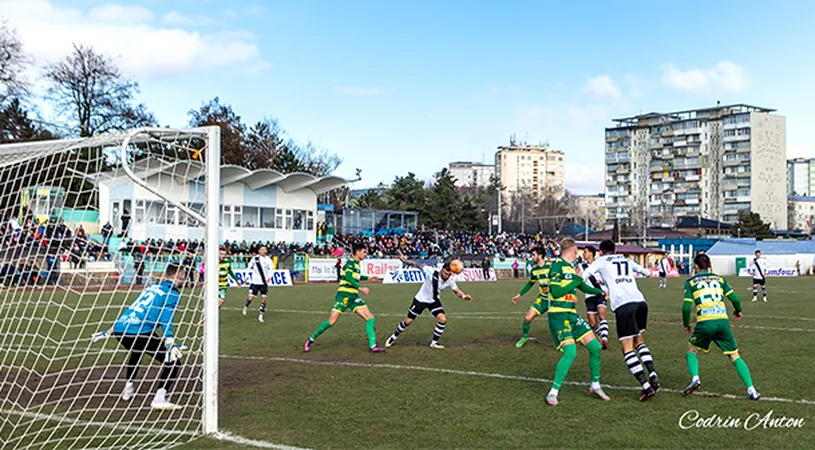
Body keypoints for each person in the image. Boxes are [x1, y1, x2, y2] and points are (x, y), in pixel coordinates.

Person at [90, 263, 186, 410]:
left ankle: (128, 388)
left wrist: (108, 331)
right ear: (179, 276)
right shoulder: (172, 292)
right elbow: (166, 317)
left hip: (120, 330)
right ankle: (159, 398)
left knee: (137, 351)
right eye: (183, 276)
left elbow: (133, 309)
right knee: (173, 361)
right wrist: (169, 340)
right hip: (138, 331)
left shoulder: (152, 288)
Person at [584, 240, 660, 402]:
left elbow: (584, 275)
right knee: (639, 342)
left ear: (601, 251)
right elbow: (646, 272)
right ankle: (652, 373)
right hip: (640, 302)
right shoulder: (625, 259)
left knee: (627, 348)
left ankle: (646, 386)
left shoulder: (601, 261)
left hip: (624, 305)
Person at [682, 253, 760, 400]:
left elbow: (686, 307)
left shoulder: (691, 282)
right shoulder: (720, 280)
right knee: (734, 355)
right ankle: (752, 389)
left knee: (692, 350)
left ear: (696, 267)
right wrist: (738, 311)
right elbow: (735, 299)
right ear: (710, 265)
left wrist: (686, 325)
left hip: (705, 322)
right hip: (722, 321)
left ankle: (695, 378)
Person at [544, 238, 610, 406]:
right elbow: (556, 291)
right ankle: (553, 392)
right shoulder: (556, 265)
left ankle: (595, 385)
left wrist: (599, 292)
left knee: (595, 347)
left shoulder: (571, 268)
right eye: (577, 251)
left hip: (571, 315)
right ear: (573, 250)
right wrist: (576, 280)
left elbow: (581, 286)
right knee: (571, 352)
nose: (578, 254)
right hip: (558, 315)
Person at [305, 244, 383, 353]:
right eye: (364, 252)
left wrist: (369, 277)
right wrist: (360, 287)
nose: (365, 254)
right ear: (358, 252)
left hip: (353, 296)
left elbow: (357, 277)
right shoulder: (350, 264)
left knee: (370, 318)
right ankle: (310, 339)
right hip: (344, 295)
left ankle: (373, 346)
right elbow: (349, 277)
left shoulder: (356, 265)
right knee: (331, 321)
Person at [385, 252, 472, 349]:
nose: (446, 276)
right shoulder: (431, 271)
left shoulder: (450, 280)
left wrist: (464, 296)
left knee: (442, 319)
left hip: (433, 301)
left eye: (448, 274)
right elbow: (416, 265)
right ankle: (394, 336)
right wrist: (404, 260)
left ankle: (434, 343)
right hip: (420, 300)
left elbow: (457, 291)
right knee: (408, 321)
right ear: (441, 270)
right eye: (444, 273)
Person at [511, 246, 550, 348]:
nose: (532, 257)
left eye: (533, 255)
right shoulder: (534, 270)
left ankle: (565, 343)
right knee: (528, 318)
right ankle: (524, 337)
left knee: (558, 323)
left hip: (556, 300)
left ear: (540, 256)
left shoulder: (551, 266)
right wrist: (519, 295)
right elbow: (530, 284)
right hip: (543, 299)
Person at [577, 246, 609, 349]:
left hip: (601, 293)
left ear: (591, 253)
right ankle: (600, 333)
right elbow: (579, 278)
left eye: (585, 252)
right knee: (593, 323)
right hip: (589, 296)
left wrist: (608, 292)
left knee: (601, 315)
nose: (583, 254)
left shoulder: (600, 264)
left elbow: (608, 278)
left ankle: (604, 339)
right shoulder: (581, 266)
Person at [243, 245, 275, 323]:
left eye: (265, 249)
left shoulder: (268, 260)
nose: (264, 251)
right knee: (250, 297)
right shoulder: (255, 258)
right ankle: (246, 307)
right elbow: (249, 267)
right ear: (259, 251)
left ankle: (261, 315)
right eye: (262, 249)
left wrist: (269, 277)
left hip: (263, 283)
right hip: (255, 282)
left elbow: (271, 269)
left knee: (263, 299)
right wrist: (246, 277)